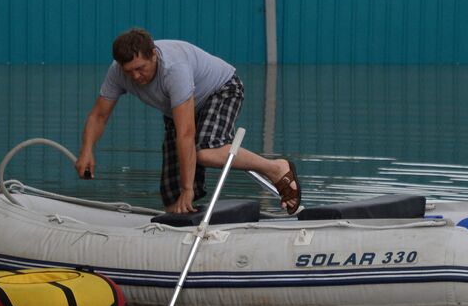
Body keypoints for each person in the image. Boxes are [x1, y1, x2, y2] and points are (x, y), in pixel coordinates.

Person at [75, 28, 300, 215]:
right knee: (172, 195)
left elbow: (186, 135)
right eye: (129, 71)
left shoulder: (174, 69)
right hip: (179, 108)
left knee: (206, 152)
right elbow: (99, 115)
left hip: (221, 89)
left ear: (153, 54)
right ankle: (182, 230)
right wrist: (86, 150)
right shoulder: (117, 72)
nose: (135, 77)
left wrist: (188, 188)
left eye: (140, 69)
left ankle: (275, 167)